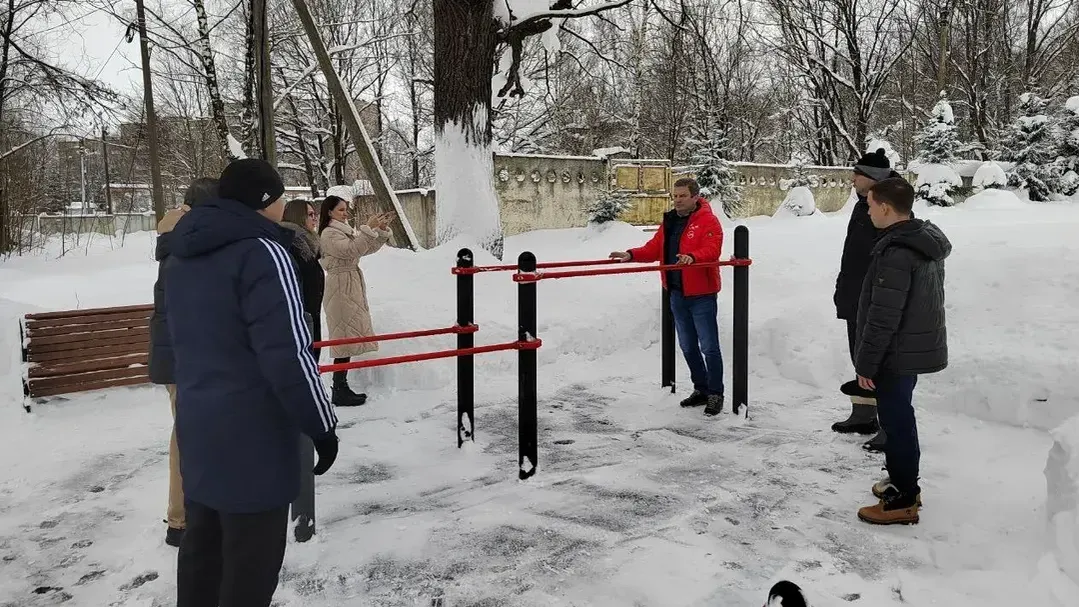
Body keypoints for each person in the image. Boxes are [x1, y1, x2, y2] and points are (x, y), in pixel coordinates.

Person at [165, 158, 340, 606]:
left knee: (203, 556)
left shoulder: (182, 254)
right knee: (250, 569)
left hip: (199, 430)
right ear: (265, 202)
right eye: (280, 196)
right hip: (254, 438)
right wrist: (322, 426)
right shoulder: (264, 252)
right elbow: (289, 353)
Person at [853, 177, 950, 525]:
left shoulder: (897, 252)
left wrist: (866, 364)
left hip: (896, 352)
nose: (867, 211)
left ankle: (904, 499)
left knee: (897, 423)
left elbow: (884, 316)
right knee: (898, 418)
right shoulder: (917, 239)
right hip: (907, 348)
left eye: (870, 205)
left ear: (885, 208)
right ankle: (900, 480)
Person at [609, 177, 725, 415]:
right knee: (687, 346)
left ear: (695, 197)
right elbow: (654, 248)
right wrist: (631, 254)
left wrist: (693, 257)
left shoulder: (708, 220)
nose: (678, 200)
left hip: (701, 294)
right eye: (675, 196)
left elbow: (712, 249)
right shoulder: (670, 220)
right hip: (676, 293)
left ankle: (716, 393)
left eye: (683, 196)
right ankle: (701, 389)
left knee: (709, 346)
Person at [148, 176, 217, 548]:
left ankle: (185, 517)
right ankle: (182, 520)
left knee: (188, 434)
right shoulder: (188, 240)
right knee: (188, 437)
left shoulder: (177, 235)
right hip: (186, 356)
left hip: (180, 354)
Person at [831, 148, 898, 452]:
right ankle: (864, 415)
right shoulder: (864, 204)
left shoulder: (888, 205)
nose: (852, 179)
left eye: (857, 175)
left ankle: (890, 426)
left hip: (874, 298)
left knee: (878, 362)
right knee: (861, 359)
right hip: (854, 294)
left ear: (872, 177)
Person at [318, 194, 395, 407]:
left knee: (348, 336)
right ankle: (339, 388)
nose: (346, 213)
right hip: (340, 287)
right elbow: (352, 249)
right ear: (330, 212)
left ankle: (341, 387)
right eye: (341, 210)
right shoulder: (329, 233)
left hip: (349, 283)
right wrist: (368, 228)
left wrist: (380, 230)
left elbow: (364, 248)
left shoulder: (342, 231)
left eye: (346, 209)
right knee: (343, 337)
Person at [280, 199, 325, 358]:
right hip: (300, 319)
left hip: (311, 315)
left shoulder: (307, 242)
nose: (315, 218)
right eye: (310, 214)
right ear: (298, 216)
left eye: (315, 214)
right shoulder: (291, 244)